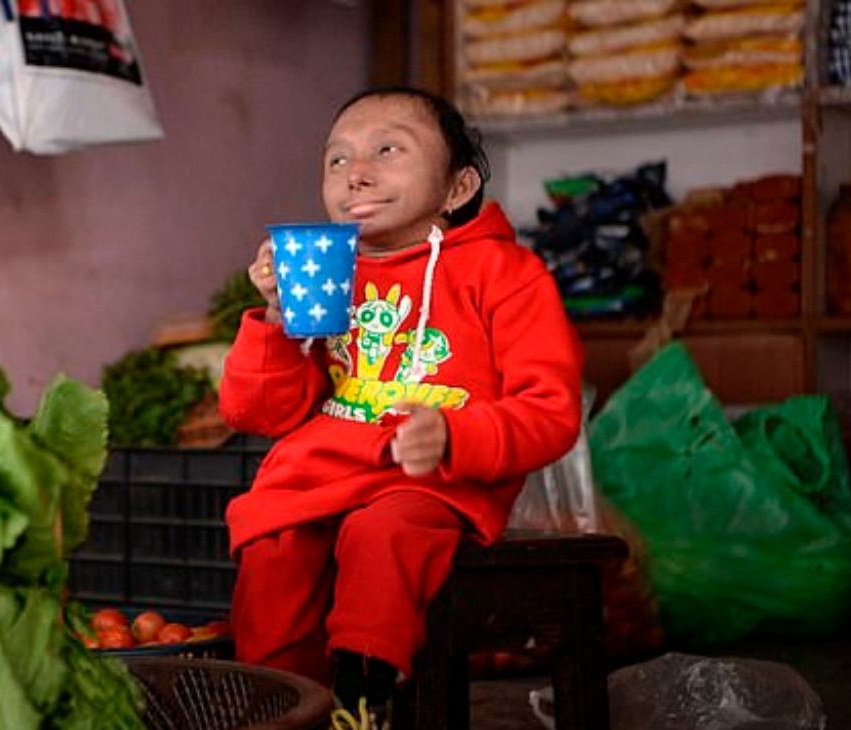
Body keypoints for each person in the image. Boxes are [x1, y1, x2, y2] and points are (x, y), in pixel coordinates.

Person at [218, 86, 583, 728]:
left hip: (433, 484)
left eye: (388, 150)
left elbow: (551, 411)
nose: (356, 172)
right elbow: (260, 415)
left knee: (383, 532)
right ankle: (283, 704)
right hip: (322, 475)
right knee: (272, 538)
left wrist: (454, 436)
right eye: (337, 160)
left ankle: (365, 701)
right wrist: (277, 318)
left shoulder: (504, 273)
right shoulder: (332, 272)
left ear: (457, 186)